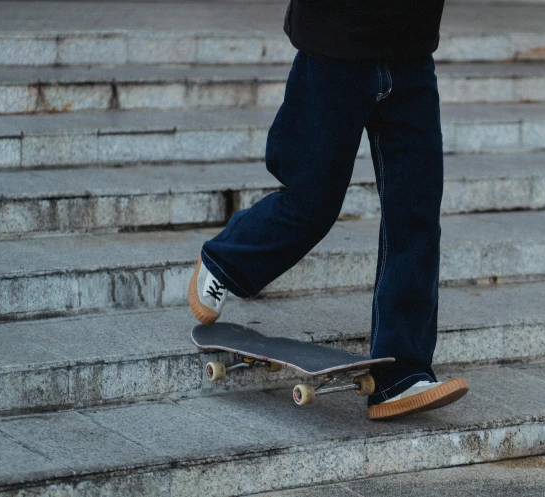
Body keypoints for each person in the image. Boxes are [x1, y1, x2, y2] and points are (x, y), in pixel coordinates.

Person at [188, 0, 468, 420]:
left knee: (417, 215)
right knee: (311, 202)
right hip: (334, 46)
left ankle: (401, 374)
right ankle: (226, 260)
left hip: (410, 53)